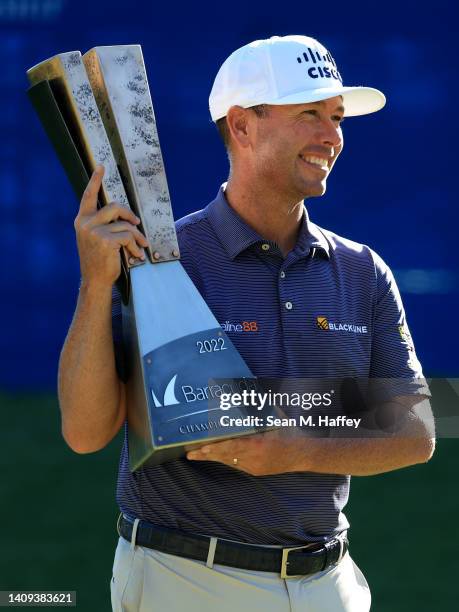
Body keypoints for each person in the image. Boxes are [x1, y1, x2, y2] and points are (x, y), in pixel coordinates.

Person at [58, 35, 435, 611]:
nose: (332, 136)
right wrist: (95, 284)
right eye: (309, 113)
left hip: (328, 584)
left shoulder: (364, 272)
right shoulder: (157, 256)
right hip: (182, 578)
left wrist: (295, 446)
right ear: (241, 125)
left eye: (336, 117)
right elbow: (85, 434)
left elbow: (417, 431)